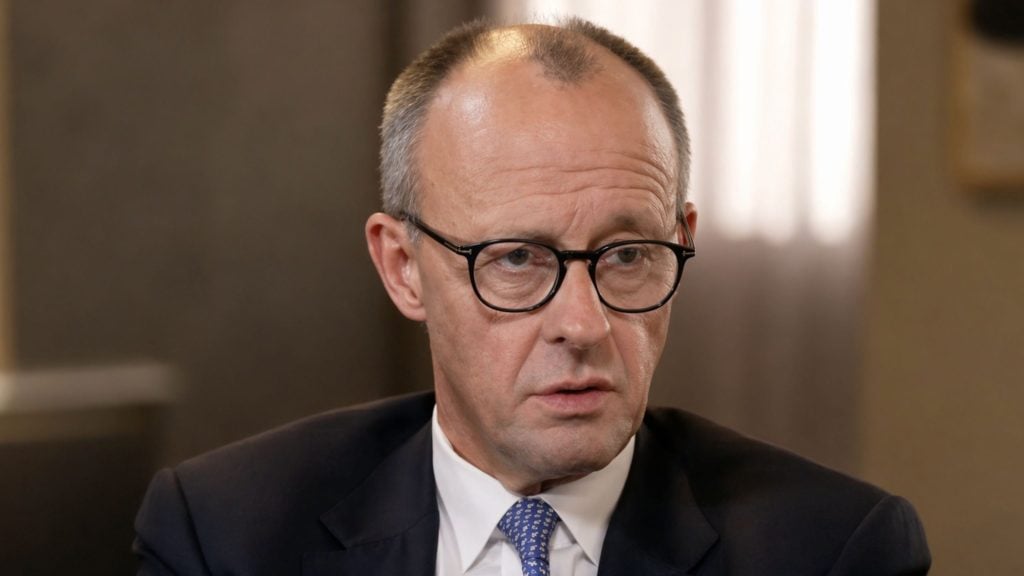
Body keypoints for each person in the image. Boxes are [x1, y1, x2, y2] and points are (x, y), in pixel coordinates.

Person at [133, 17, 931, 576]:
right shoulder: (226, 533)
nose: (583, 324)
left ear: (681, 239)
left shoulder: (833, 551)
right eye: (515, 258)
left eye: (626, 255)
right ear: (403, 266)